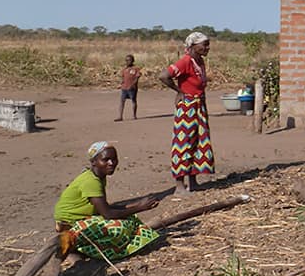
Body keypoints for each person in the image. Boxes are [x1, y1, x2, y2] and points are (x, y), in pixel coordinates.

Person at [54, 141, 163, 260]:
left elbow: (104, 207)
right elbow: (107, 214)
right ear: (93, 162)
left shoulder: (98, 176)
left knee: (131, 218)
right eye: (105, 160)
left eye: (114, 159)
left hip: (82, 218)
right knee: (119, 228)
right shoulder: (91, 181)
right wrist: (141, 207)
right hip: (69, 225)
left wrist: (138, 204)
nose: (111, 163)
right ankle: (81, 249)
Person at [159, 32, 214, 192]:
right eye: (204, 44)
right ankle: (179, 185)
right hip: (188, 107)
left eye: (208, 44)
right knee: (183, 143)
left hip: (199, 106)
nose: (207, 48)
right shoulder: (185, 61)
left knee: (197, 142)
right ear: (194, 46)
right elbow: (164, 76)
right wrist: (179, 91)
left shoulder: (199, 61)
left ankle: (193, 181)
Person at [116, 54, 141, 121]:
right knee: (122, 101)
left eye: (129, 60)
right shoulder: (124, 69)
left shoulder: (135, 69)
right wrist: (120, 85)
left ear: (132, 61)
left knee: (133, 101)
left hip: (132, 88)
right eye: (126, 60)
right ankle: (120, 116)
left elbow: (137, 77)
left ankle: (134, 115)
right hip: (124, 87)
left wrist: (133, 85)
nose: (127, 62)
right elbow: (122, 78)